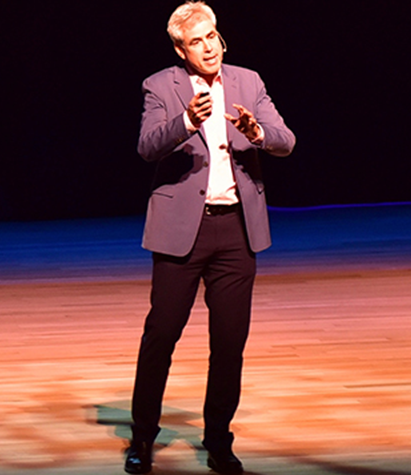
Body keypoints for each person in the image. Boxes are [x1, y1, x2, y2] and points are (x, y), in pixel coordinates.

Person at [125, 2, 295, 473]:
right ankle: (142, 438)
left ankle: (218, 439)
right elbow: (146, 147)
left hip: (236, 232)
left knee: (229, 341)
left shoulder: (249, 81)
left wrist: (255, 130)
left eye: (213, 36)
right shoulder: (161, 86)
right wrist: (186, 122)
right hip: (184, 232)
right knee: (161, 335)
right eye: (197, 40)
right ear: (181, 49)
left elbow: (286, 140)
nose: (209, 47)